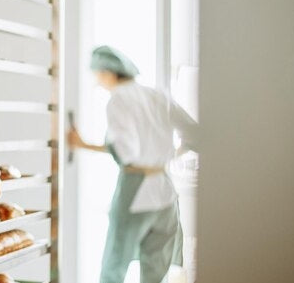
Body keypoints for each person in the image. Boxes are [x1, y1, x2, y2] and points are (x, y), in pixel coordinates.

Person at [68, 45, 197, 283]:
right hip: (165, 190)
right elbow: (195, 134)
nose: (98, 81)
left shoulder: (118, 100)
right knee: (157, 268)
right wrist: (169, 157)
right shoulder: (158, 96)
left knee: (115, 263)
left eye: (97, 75)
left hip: (136, 188)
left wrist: (84, 145)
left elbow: (127, 152)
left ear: (108, 73)